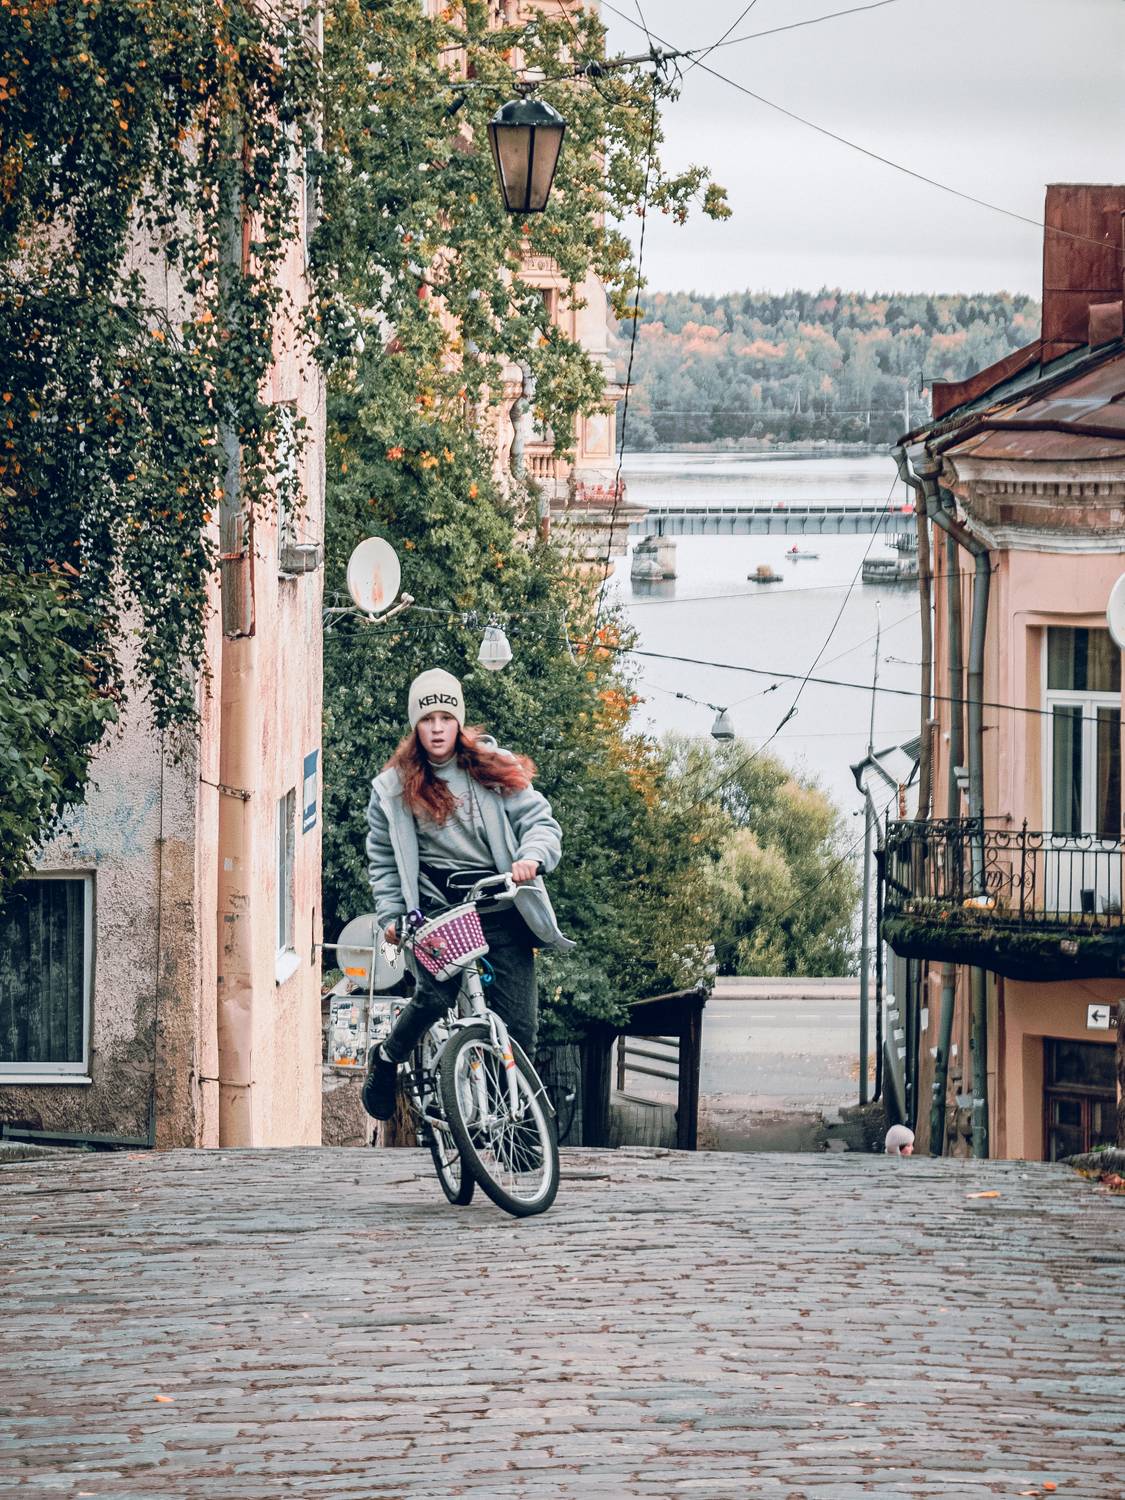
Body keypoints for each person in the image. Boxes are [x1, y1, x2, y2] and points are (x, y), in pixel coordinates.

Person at [361, 667, 572, 1120]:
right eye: (427, 719)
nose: (437, 728)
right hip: (441, 910)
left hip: (499, 901)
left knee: (519, 1028)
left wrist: (531, 856)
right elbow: (382, 859)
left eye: (446, 717)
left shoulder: (492, 767)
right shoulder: (393, 788)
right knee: (435, 998)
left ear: (459, 721)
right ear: (415, 726)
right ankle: (387, 1058)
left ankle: (513, 1126)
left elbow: (540, 822)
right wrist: (392, 917)